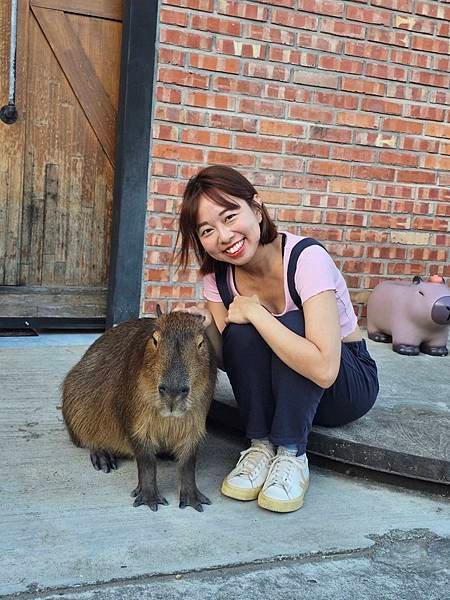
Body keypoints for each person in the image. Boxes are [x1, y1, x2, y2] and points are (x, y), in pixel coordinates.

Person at [175, 165, 379, 513]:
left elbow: (325, 370)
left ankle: (291, 454)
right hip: (284, 387)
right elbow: (232, 358)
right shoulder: (217, 277)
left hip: (343, 383)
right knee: (240, 331)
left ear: (256, 209)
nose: (223, 236)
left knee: (290, 320)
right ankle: (259, 447)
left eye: (230, 216)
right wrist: (208, 325)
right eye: (208, 230)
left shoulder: (306, 258)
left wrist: (257, 313)